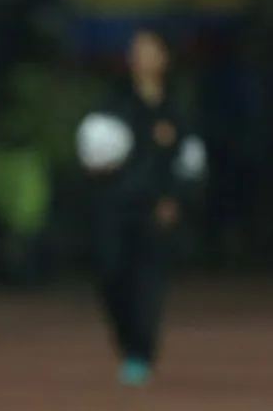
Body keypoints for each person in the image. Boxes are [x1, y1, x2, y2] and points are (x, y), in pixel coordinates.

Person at [80, 28, 205, 386]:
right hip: (113, 207)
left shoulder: (176, 111)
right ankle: (128, 342)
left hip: (155, 210)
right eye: (136, 49)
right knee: (111, 274)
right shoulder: (113, 104)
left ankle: (140, 352)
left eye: (149, 49)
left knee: (147, 281)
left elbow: (191, 162)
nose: (141, 56)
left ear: (165, 58)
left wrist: (176, 198)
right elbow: (93, 152)